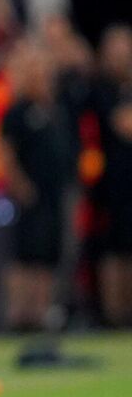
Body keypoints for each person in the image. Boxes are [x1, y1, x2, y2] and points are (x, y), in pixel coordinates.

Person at [0, 43, 74, 332]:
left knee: (47, 257)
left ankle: (43, 314)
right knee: (24, 256)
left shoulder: (57, 109)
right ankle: (19, 316)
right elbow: (5, 152)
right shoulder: (17, 112)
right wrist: (19, 185)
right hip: (29, 196)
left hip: (54, 194)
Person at [91, 25, 132, 327]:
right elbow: (123, 124)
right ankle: (113, 315)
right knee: (112, 249)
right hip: (110, 184)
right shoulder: (101, 89)